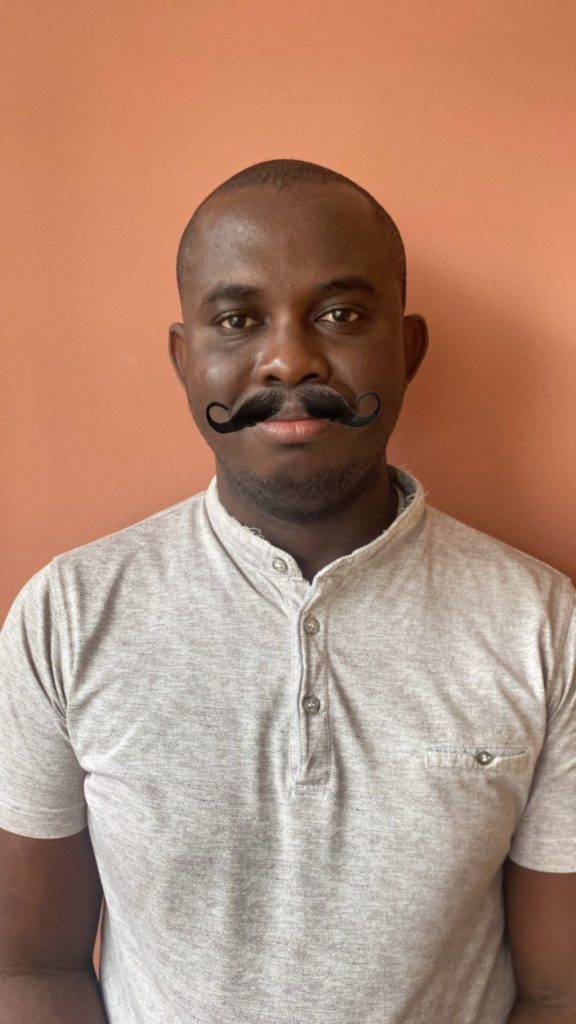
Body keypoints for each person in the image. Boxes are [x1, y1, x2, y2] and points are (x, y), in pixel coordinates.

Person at [0, 159, 575, 1024]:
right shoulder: (68, 615)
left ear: (408, 350)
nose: (288, 359)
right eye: (238, 320)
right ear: (185, 360)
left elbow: (560, 991)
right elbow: (31, 967)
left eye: (340, 315)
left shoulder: (544, 626)